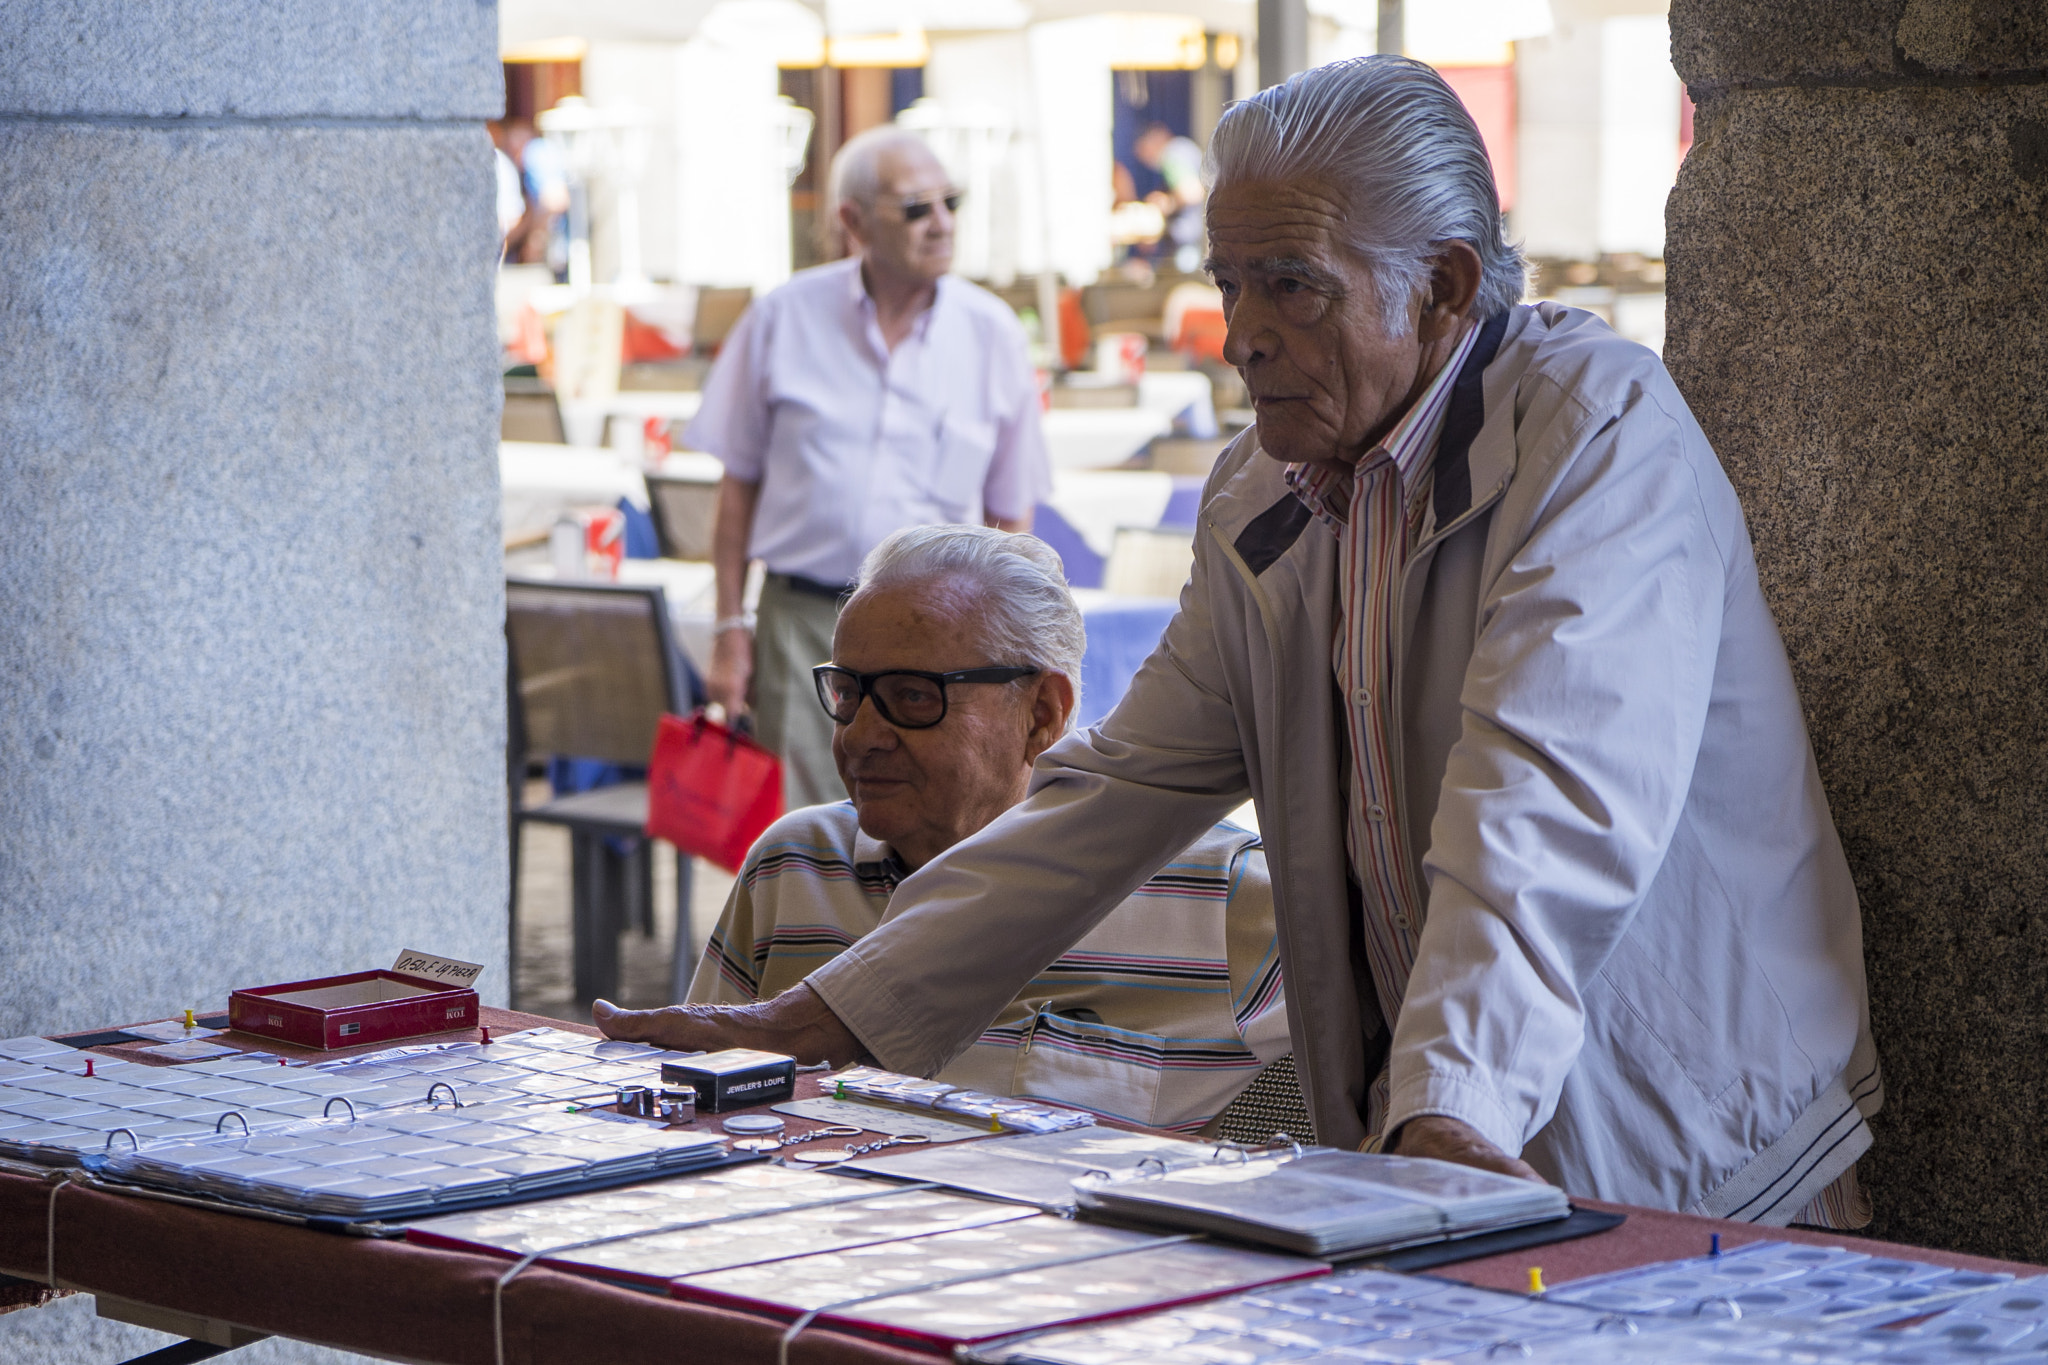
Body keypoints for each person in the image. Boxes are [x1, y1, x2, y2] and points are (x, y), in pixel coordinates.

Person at [599, 57, 1881, 1228]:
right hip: (1432, 1147)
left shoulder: (1596, 434)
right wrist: (831, 1014)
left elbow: (1541, 805)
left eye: (1291, 286)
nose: (1239, 334)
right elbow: (1116, 793)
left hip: (1684, 1145)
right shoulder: (1263, 489)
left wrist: (1447, 1112)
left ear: (1440, 286)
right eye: (1227, 283)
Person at [654, 525, 1287, 1132]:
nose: (861, 737)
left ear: (1042, 713)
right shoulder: (795, 867)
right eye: (849, 694)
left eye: (913, 698)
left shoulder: (1225, 898)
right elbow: (698, 1090)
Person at [686, 127, 1050, 809]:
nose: (941, 222)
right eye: (915, 208)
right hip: (802, 621)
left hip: (941, 632)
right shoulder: (783, 317)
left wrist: (1009, 653)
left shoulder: (992, 332)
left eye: (951, 201)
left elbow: (1012, 516)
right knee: (806, 832)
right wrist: (728, 629)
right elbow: (737, 489)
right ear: (852, 220)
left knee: (929, 825)